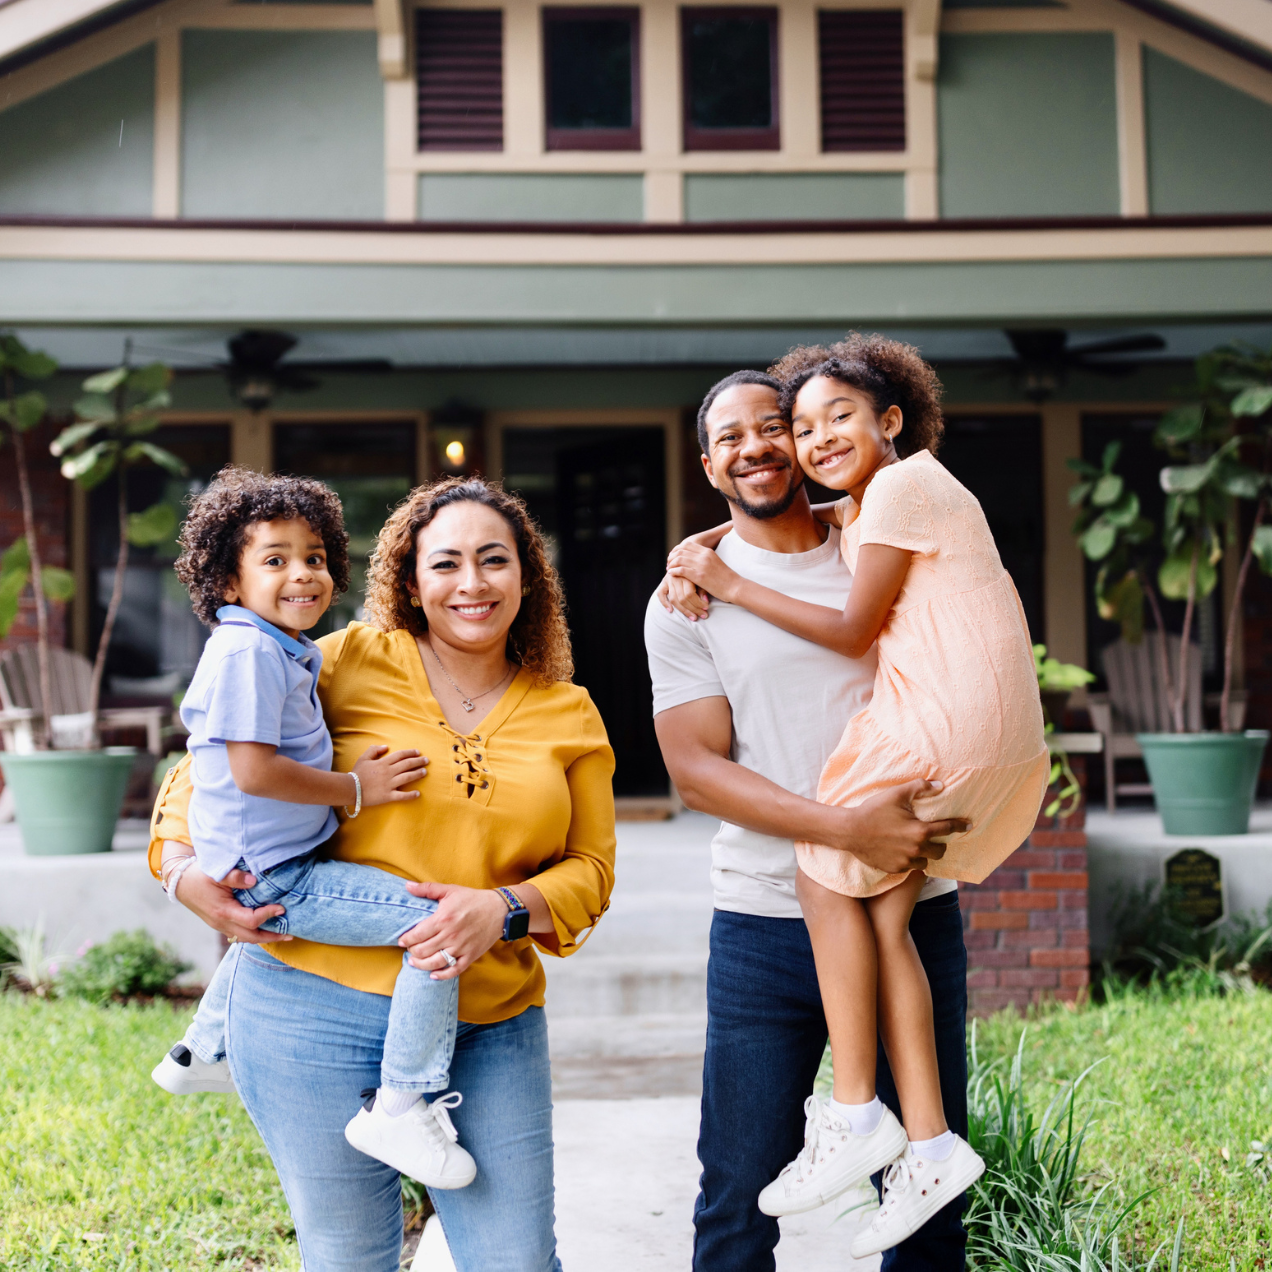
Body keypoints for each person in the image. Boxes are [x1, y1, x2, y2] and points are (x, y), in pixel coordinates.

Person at [151, 476, 616, 1272]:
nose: (471, 584)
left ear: (529, 577)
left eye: (494, 561)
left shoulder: (566, 711)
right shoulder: (343, 660)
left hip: (487, 1023)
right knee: (349, 1258)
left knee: (517, 1262)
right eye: (446, 564)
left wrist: (502, 908)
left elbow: (591, 873)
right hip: (308, 1014)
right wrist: (183, 872)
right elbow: (204, 774)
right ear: (409, 579)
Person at [664, 336, 1047, 1256]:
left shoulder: (877, 518)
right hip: (757, 929)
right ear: (709, 462)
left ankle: (865, 1118)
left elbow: (849, 625)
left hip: (918, 828)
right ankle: (903, 1133)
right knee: (736, 1198)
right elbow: (691, 768)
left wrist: (726, 570)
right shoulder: (686, 596)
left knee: (926, 1239)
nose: (776, 442)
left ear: (889, 421)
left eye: (786, 425)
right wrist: (714, 555)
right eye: (751, 433)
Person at [151, 466, 476, 1191]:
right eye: (275, 560)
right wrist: (356, 790)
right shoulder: (247, 653)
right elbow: (253, 771)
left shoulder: (276, 647)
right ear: (229, 583)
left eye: (316, 558)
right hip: (278, 870)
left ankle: (199, 1050)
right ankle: (401, 1101)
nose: (303, 574)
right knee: (433, 925)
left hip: (267, 856)